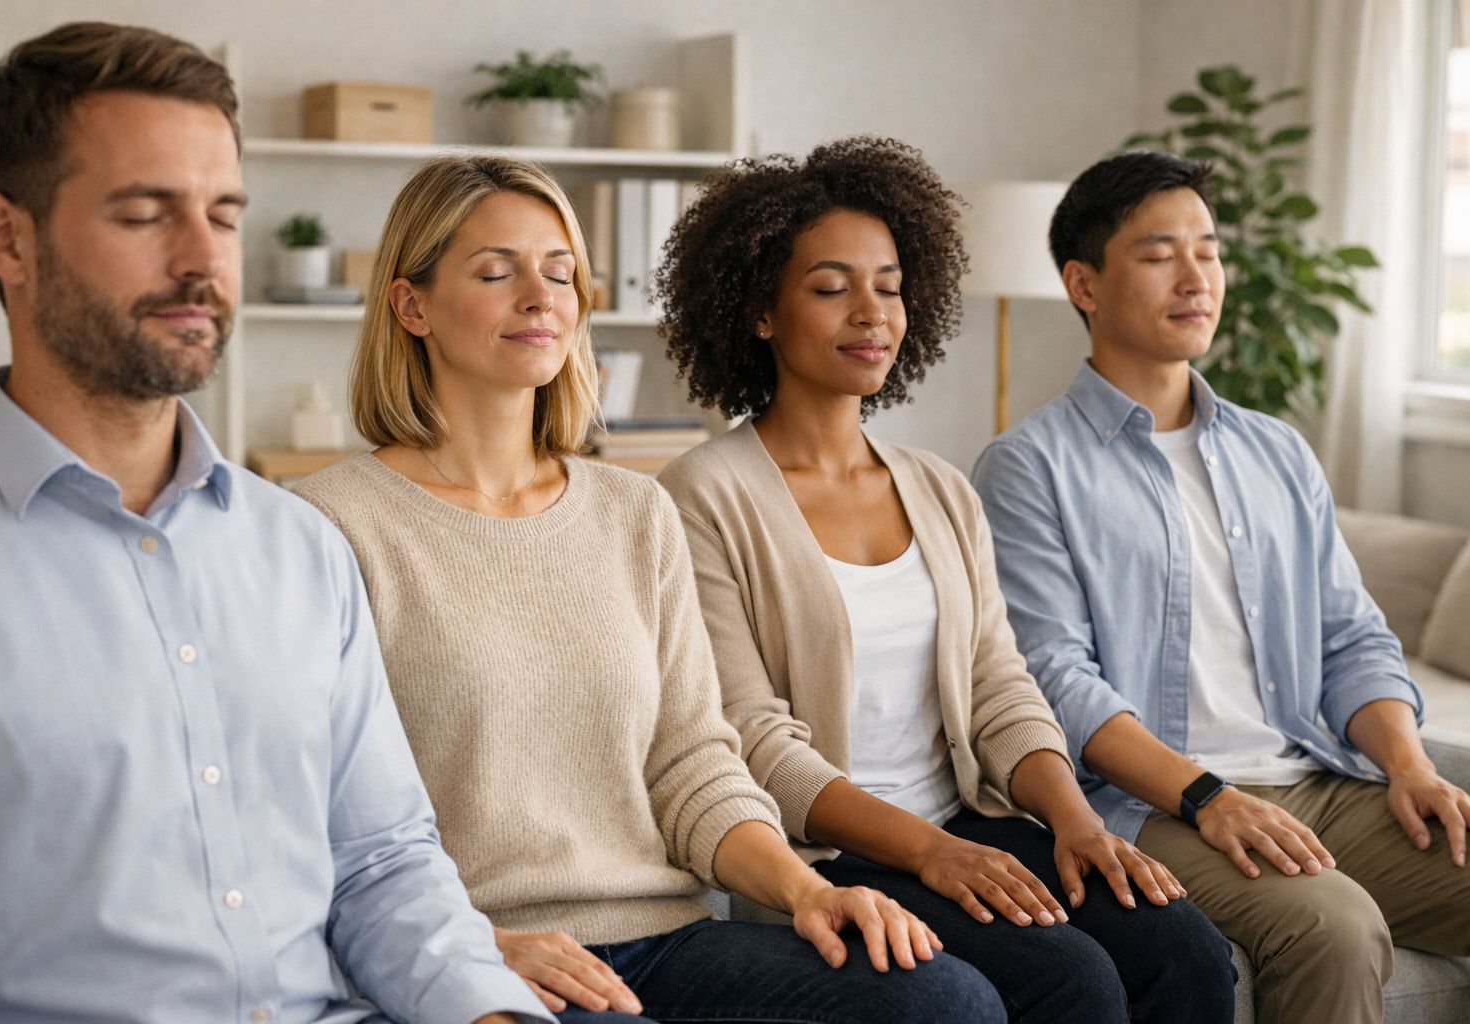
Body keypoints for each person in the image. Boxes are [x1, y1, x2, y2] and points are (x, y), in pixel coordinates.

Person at [291, 153, 1006, 1024]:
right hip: (477, 951)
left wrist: (806, 891)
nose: (541, 297)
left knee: (946, 1002)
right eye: (497, 273)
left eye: (561, 273)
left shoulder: (633, 511)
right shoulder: (327, 526)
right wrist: (466, 946)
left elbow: (690, 761)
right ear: (412, 306)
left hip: (665, 936)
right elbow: (309, 814)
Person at [0, 22, 550, 1024]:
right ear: (8, 237)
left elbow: (382, 862)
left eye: (223, 214)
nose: (202, 259)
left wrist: (490, 1013)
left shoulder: (298, 548)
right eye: (146, 214)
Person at [651, 136, 1236, 1023]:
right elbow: (751, 741)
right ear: (760, 311)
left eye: (889, 287)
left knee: (1181, 947)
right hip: (831, 854)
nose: (871, 314)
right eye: (831, 288)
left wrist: (1076, 824)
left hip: (966, 819)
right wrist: (929, 853)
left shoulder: (938, 487)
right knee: (1069, 977)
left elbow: (999, 683)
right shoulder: (699, 497)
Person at [970, 150, 1470, 1024]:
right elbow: (1055, 680)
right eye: (1159, 253)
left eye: (1207, 249)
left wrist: (1408, 764)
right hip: (1155, 804)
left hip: (1313, 776)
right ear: (1084, 284)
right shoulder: (1027, 467)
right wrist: (1208, 796)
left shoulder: (1276, 451)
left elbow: (1351, 637)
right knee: (1334, 928)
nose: (1196, 276)